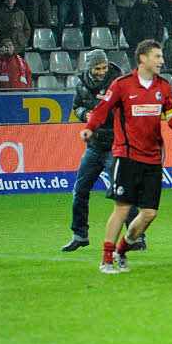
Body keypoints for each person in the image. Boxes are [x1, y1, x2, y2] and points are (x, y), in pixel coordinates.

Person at [80, 40, 172, 274]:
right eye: (157, 56)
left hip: (153, 157)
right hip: (126, 155)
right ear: (142, 59)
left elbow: (171, 119)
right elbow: (102, 109)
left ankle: (122, 250)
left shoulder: (164, 86)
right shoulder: (122, 85)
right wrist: (90, 127)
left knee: (149, 213)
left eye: (161, 57)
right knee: (121, 208)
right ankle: (106, 259)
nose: (162, 61)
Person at [63, 50, 139, 252]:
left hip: (116, 146)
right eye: (97, 68)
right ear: (90, 67)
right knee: (80, 190)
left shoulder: (120, 82)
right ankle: (80, 235)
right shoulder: (81, 84)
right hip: (94, 147)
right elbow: (76, 107)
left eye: (104, 67)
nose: (101, 72)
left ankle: (136, 237)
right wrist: (85, 113)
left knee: (122, 193)